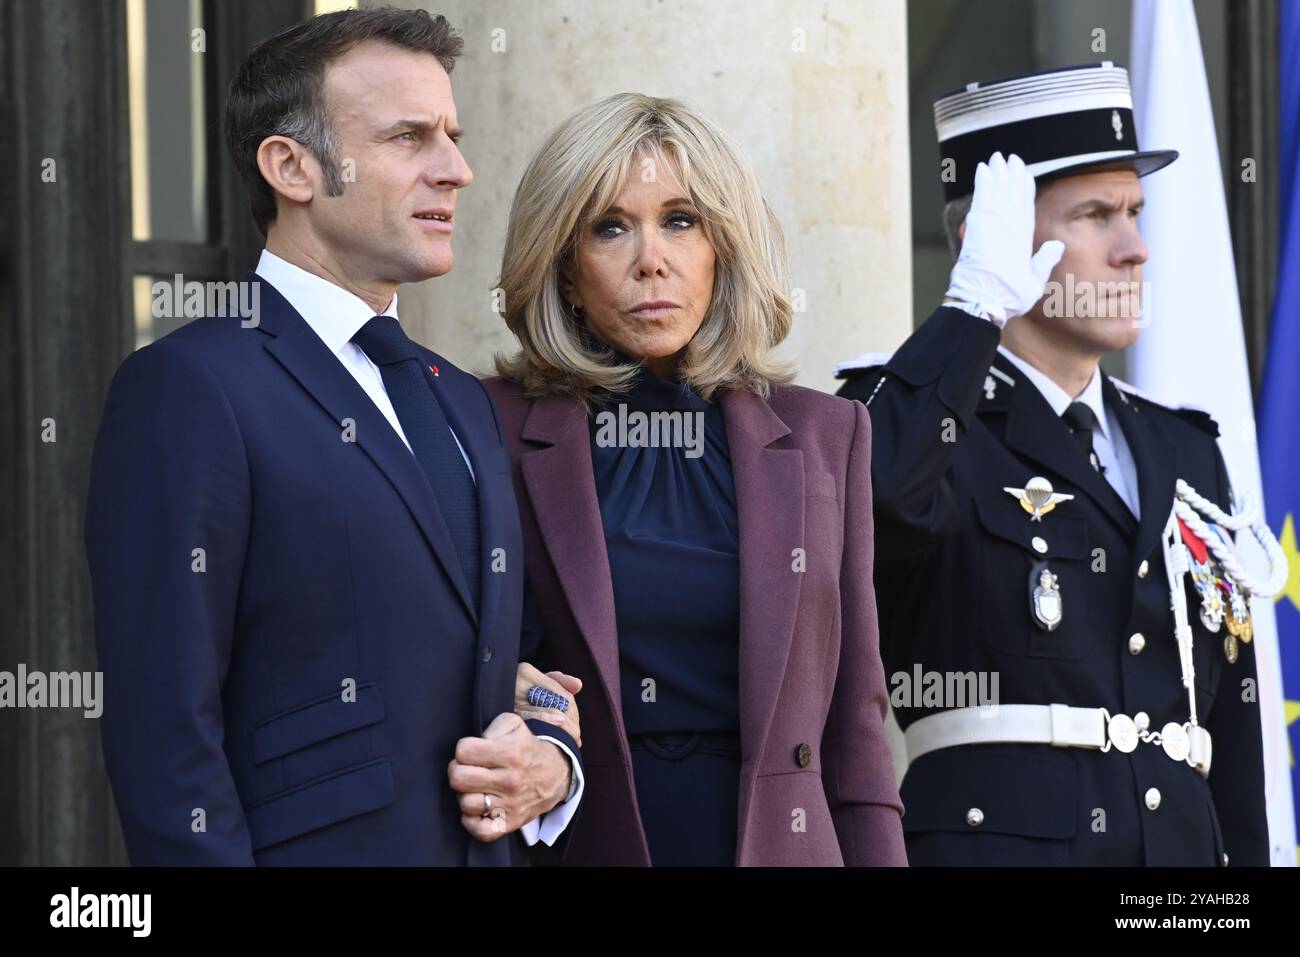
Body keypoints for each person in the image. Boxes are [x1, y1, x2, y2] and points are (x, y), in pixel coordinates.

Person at [84, 7, 581, 866]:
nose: (456, 170)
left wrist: (553, 759)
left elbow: (517, 658)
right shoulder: (189, 388)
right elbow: (165, 733)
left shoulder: (460, 399)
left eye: (453, 137)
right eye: (408, 137)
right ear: (291, 166)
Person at [836, 62, 1281, 865]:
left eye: (1136, 213)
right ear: (991, 238)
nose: (1135, 249)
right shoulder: (917, 418)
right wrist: (970, 314)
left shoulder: (1184, 448)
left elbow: (1229, 741)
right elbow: (875, 507)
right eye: (1095, 215)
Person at [484, 93, 906, 866]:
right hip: (580, 842)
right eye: (610, 227)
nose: (653, 258)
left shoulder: (825, 434)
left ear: (723, 248)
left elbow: (856, 725)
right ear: (566, 271)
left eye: (682, 221)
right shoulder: (490, 428)